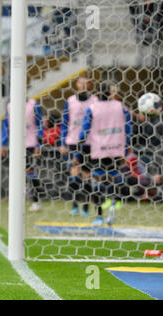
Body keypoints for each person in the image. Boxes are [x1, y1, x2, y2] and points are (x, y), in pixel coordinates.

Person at [74, 81, 132, 226]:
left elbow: (84, 132)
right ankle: (114, 202)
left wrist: (77, 154)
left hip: (99, 149)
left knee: (97, 182)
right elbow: (129, 128)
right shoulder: (121, 107)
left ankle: (99, 216)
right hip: (116, 149)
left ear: (97, 93)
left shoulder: (92, 108)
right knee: (114, 178)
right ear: (111, 92)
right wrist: (126, 149)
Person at [60, 75, 98, 216]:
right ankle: (75, 205)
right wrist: (62, 142)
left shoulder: (94, 101)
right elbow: (64, 122)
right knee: (74, 174)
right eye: (80, 83)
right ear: (76, 84)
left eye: (85, 83)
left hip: (89, 143)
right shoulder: (70, 101)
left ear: (89, 85)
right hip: (73, 142)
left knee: (87, 176)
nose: (83, 85)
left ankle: (86, 207)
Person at [2, 98, 44, 211]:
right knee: (16, 173)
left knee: (30, 173)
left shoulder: (34, 104)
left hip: (30, 144)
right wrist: (3, 143)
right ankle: (16, 202)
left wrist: (38, 145)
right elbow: (6, 124)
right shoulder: (10, 105)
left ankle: (36, 201)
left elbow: (40, 124)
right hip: (15, 145)